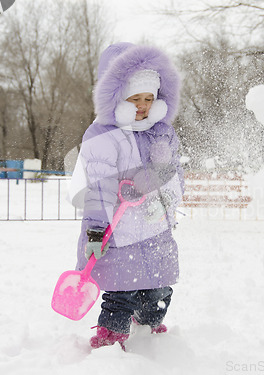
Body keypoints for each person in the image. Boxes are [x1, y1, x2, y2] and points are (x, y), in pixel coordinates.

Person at [68, 42, 184, 350]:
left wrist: (164, 185)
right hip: (117, 232)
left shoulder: (162, 132)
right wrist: (95, 232)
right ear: (117, 96)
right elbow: (96, 188)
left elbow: (176, 173)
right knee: (122, 290)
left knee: (159, 287)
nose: (144, 105)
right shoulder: (102, 135)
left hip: (155, 225)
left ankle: (148, 324)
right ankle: (111, 335)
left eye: (149, 98)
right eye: (136, 98)